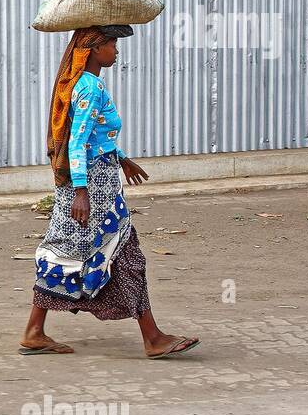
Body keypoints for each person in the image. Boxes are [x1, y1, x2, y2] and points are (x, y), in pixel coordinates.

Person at [20, 25, 200, 359]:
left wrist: (121, 158)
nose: (116, 51)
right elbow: (77, 141)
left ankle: (34, 331)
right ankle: (153, 338)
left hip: (95, 182)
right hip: (94, 191)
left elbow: (96, 139)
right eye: (112, 44)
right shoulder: (89, 87)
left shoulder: (85, 84)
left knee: (69, 252)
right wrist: (81, 192)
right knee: (125, 256)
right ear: (92, 49)